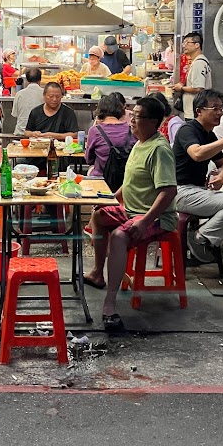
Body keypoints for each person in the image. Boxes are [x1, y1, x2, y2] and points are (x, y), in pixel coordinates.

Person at [82, 97, 177, 328]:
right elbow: (131, 181)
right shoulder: (139, 142)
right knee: (98, 215)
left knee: (119, 236)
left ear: (153, 122)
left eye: (137, 117)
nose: (132, 121)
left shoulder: (159, 149)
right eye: (131, 115)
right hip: (131, 209)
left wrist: (144, 222)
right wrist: (111, 199)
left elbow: (169, 191)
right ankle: (97, 272)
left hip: (155, 217)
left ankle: (110, 304)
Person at [173, 89, 223, 264]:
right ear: (199, 111)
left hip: (196, 190)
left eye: (221, 109)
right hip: (179, 191)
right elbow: (197, 154)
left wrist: (222, 177)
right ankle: (200, 238)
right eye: (214, 108)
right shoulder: (188, 130)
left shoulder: (209, 134)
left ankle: (201, 237)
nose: (219, 113)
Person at [85, 93, 135, 179]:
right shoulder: (132, 130)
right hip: (126, 179)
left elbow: (89, 159)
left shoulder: (95, 131)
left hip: (100, 178)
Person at [172, 32, 211, 119]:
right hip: (194, 111)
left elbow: (198, 88)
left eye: (187, 43)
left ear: (197, 45)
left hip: (194, 113)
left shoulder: (199, 63)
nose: (184, 46)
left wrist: (181, 88)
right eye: (183, 43)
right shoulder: (197, 61)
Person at [11, 67, 44, 136]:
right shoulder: (45, 94)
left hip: (20, 132)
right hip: (40, 132)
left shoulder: (19, 94)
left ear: (27, 80)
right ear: (40, 80)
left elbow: (15, 114)